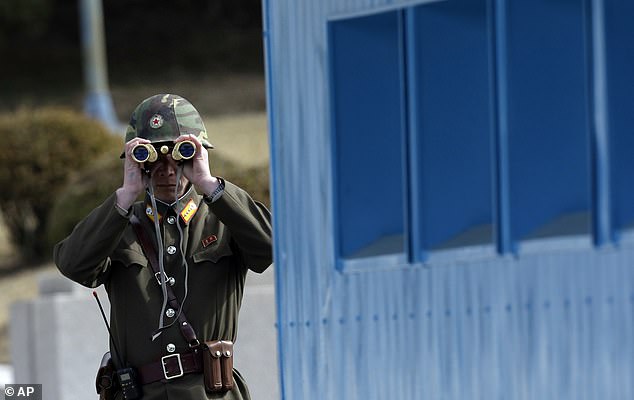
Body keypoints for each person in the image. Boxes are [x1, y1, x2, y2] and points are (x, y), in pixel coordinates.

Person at [54, 94, 273, 400]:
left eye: (180, 155)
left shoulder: (223, 222)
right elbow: (72, 264)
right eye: (153, 157)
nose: (167, 169)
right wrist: (126, 194)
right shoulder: (120, 229)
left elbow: (271, 246)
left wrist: (210, 184)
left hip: (210, 393)